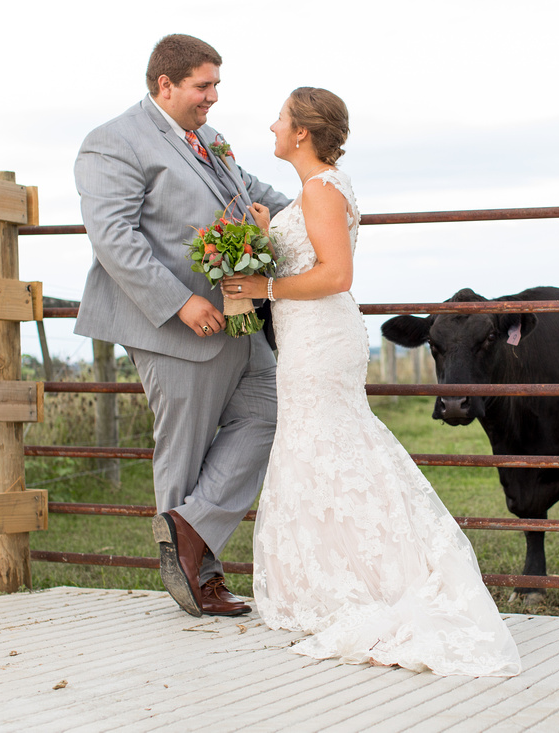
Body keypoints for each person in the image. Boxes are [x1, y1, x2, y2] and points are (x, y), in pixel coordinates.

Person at [222, 87, 521, 676]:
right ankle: (327, 573)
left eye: (280, 119)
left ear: (302, 133)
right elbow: (306, 246)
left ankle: (369, 580)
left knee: (332, 445)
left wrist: (264, 288)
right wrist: (266, 229)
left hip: (320, 340)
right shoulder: (318, 190)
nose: (272, 127)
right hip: (308, 338)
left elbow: (336, 273)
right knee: (319, 449)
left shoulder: (323, 190)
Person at [73, 34, 289, 618]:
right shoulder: (111, 143)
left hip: (239, 320)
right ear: (164, 84)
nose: (213, 97)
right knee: (184, 450)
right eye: (203, 85)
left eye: (216, 84)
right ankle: (197, 580)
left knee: (272, 412)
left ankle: (188, 532)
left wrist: (322, 199)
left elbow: (259, 195)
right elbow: (114, 238)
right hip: (174, 326)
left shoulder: (211, 140)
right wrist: (179, 304)